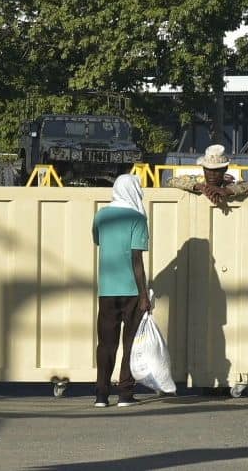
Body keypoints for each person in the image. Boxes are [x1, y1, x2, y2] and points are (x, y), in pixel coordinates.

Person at [91, 174, 151, 408]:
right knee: (130, 343)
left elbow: (98, 240)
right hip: (132, 291)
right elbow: (137, 260)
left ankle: (101, 395)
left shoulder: (101, 216)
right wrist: (144, 295)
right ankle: (125, 394)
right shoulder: (137, 218)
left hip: (107, 290)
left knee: (106, 343)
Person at [166, 144, 248, 208]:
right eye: (208, 170)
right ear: (203, 169)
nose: (211, 174)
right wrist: (199, 187)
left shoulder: (231, 184)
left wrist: (227, 191)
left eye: (216, 171)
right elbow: (171, 180)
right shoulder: (197, 181)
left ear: (225, 169)